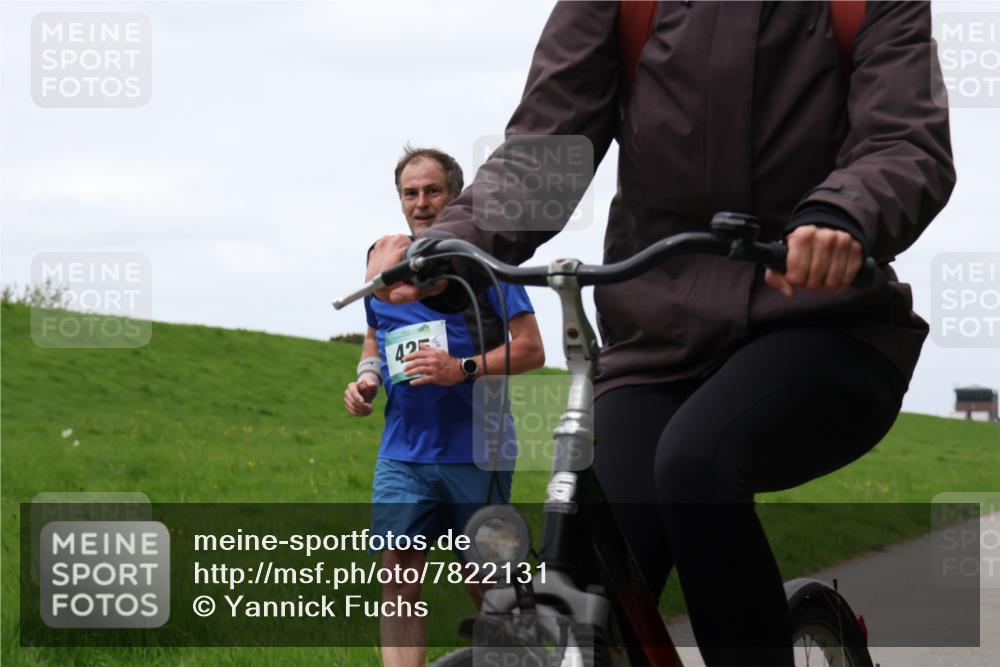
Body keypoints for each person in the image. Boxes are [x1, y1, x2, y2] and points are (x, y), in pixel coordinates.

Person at [365, 3, 955, 666]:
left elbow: (903, 141)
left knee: (696, 460)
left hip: (822, 322)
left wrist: (844, 215)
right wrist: (450, 244)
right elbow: (545, 151)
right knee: (589, 574)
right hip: (657, 346)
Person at [344, 146, 545, 667]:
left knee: (486, 580)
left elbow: (531, 350)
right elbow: (375, 336)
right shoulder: (385, 269)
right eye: (410, 193)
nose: (421, 203)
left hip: (477, 452)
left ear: (455, 196)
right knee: (397, 576)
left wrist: (462, 368)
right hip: (403, 453)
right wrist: (367, 378)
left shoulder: (483, 266)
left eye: (433, 191)